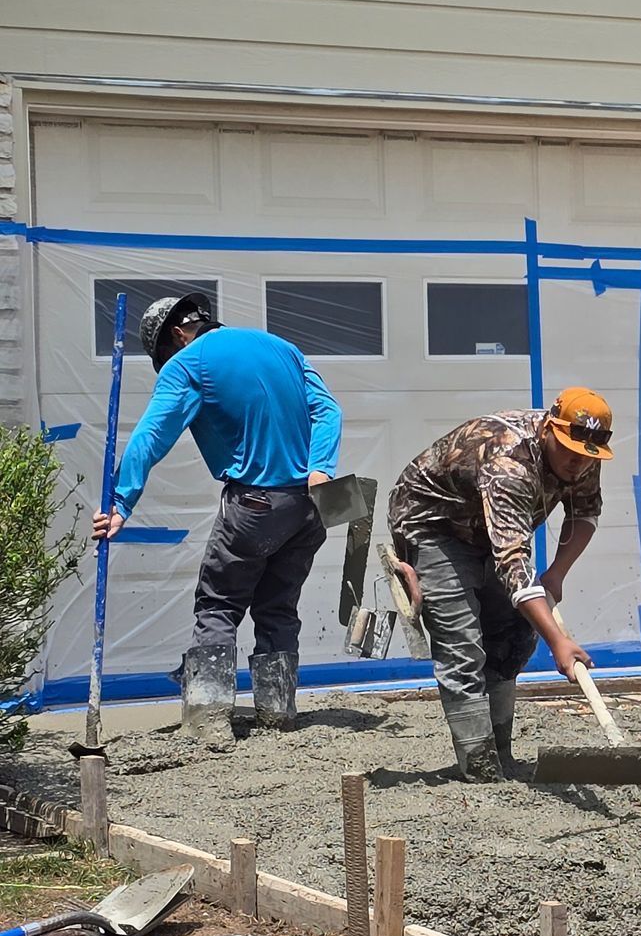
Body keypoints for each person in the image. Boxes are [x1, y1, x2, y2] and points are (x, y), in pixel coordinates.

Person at [95, 292, 342, 737]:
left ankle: (208, 720)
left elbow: (151, 436)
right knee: (278, 608)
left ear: (177, 334)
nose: (166, 364)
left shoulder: (187, 364)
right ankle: (279, 714)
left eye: (164, 355)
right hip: (308, 507)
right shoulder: (281, 347)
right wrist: (321, 466)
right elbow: (328, 409)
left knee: (218, 606)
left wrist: (119, 502)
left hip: (255, 506)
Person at [386, 389, 609, 782]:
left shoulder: (585, 455)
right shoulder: (510, 463)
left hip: (489, 530)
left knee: (512, 637)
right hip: (433, 525)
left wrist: (557, 573)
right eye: (569, 450)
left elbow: (585, 511)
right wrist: (558, 640)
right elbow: (513, 561)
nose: (578, 462)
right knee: (463, 646)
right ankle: (481, 768)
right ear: (548, 431)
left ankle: (501, 752)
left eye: (587, 455)